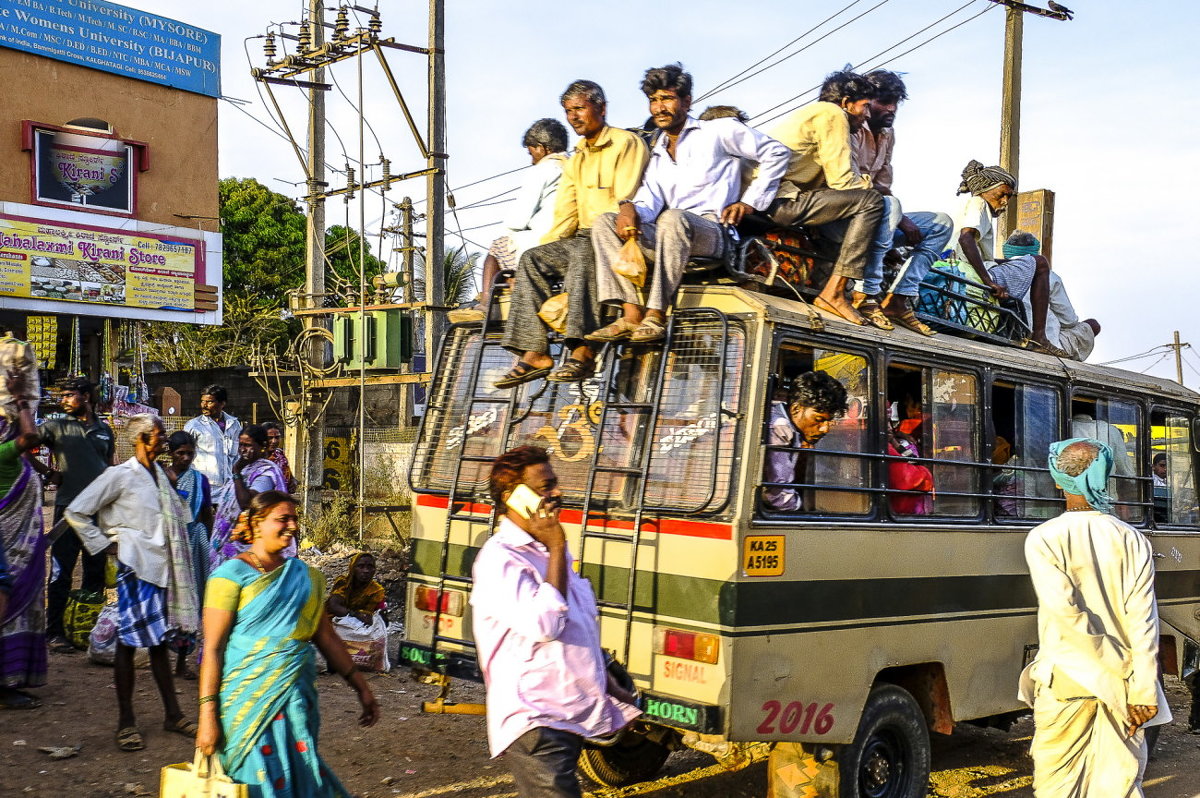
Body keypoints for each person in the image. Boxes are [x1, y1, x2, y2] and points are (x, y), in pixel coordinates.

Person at [472, 446, 640, 797]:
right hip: (537, 718)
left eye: (555, 484)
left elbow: (576, 629)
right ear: (512, 498)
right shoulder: (500, 559)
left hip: (566, 714)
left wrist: (606, 680)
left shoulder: (545, 553)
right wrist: (558, 545)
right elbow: (546, 625)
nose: (557, 493)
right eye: (545, 487)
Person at [589, 64, 790, 345]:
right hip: (670, 234)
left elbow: (777, 152)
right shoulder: (657, 150)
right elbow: (649, 201)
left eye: (667, 99)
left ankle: (656, 314)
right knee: (603, 222)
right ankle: (631, 313)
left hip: (715, 233)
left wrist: (749, 202)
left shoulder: (719, 130)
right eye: (653, 100)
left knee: (672, 218)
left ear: (686, 101)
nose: (659, 108)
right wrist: (629, 209)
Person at [196, 491, 379, 795]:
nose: (292, 526)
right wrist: (206, 717)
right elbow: (213, 649)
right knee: (255, 780)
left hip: (296, 699)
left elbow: (326, 638)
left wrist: (362, 689)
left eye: (295, 518)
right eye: (283, 519)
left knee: (298, 773)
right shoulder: (229, 577)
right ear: (256, 524)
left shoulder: (305, 576)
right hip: (246, 703)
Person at [1019, 437, 1169, 797]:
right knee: (1119, 784)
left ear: (1058, 481)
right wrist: (1141, 685)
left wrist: (1113, 664)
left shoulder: (1043, 539)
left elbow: (1066, 614)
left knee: (1058, 786)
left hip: (1066, 680)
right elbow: (1144, 620)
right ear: (1104, 477)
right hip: (1127, 685)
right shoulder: (1131, 539)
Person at [496, 80, 649, 388]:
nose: (574, 117)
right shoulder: (576, 157)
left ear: (601, 108)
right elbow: (565, 214)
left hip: (616, 233)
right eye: (568, 111)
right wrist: (548, 250)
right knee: (531, 259)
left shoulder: (625, 143)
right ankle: (535, 353)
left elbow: (629, 197)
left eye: (580, 108)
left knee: (583, 253)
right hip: (582, 236)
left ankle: (581, 351)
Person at [64, 414, 200, 751]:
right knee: (128, 643)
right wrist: (105, 544)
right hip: (134, 567)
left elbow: (179, 516)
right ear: (142, 437)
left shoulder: (159, 476)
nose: (165, 441)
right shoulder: (120, 475)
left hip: (161, 568)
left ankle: (172, 714)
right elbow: (77, 511)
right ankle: (126, 722)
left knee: (156, 644)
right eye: (159, 435)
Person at [764, 69, 886, 328]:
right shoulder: (831, 113)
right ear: (845, 103)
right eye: (864, 107)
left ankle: (828, 284)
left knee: (848, 208)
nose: (866, 116)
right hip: (781, 200)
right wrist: (871, 189)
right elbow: (842, 181)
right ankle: (834, 291)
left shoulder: (816, 115)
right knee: (872, 201)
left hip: (785, 199)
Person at [850, 70, 954, 336]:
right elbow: (846, 180)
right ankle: (866, 294)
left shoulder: (887, 133)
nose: (891, 108)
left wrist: (895, 221)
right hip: (846, 214)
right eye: (884, 101)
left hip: (877, 216)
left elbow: (884, 183)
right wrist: (897, 216)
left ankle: (899, 298)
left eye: (895, 102)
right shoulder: (851, 126)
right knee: (891, 206)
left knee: (941, 223)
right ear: (865, 101)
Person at [36, 377, 114, 653]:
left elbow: (109, 467)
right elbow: (24, 445)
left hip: (98, 514)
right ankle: (54, 632)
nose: (64, 400)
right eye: (63, 396)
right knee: (61, 572)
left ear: (86, 397)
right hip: (68, 511)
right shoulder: (56, 427)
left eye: (69, 395)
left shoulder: (105, 430)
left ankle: (88, 630)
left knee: (95, 573)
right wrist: (47, 472)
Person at [952, 162, 1063, 355]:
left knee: (1028, 263)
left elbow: (977, 251)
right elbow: (966, 238)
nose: (1005, 202)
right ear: (985, 190)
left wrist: (1004, 264)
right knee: (1041, 263)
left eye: (1009, 197)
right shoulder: (978, 204)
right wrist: (989, 281)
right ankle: (1039, 338)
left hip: (966, 270)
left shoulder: (971, 209)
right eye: (1001, 194)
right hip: (972, 277)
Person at [475, 119, 571, 305]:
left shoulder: (544, 168)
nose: (531, 160)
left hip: (542, 243)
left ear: (543, 148)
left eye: (532, 152)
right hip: (568, 243)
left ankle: (485, 305)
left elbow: (516, 220)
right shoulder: (574, 165)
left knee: (496, 248)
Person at [0, 369, 47, 709]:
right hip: (9, 550)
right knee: (6, 610)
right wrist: (20, 399)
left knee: (22, 610)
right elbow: (31, 438)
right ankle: (5, 684)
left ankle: (16, 678)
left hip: (21, 549)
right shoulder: (3, 453)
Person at [1005, 232, 1101, 360]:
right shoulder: (1049, 276)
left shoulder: (994, 270)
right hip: (1046, 341)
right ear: (1034, 252)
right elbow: (1069, 320)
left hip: (1007, 333)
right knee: (1093, 325)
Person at [763, 371, 849, 511]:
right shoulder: (781, 427)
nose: (825, 429)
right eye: (819, 420)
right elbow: (779, 497)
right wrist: (805, 510)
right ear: (796, 409)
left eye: (829, 421)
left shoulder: (780, 416)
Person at [165, 430, 213, 680]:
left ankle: (182, 660)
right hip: (167, 542)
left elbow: (206, 512)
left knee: (191, 599)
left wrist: (208, 541)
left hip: (194, 540)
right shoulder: (161, 478)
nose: (185, 458)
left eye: (189, 453)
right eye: (180, 453)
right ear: (170, 453)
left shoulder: (199, 480)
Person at [209, 424, 289, 567]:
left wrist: (236, 471)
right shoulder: (246, 468)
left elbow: (247, 503)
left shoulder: (266, 472)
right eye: (241, 445)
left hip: (249, 544)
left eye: (247, 445)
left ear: (262, 446)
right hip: (232, 540)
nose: (242, 450)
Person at [184, 384, 242, 505]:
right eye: (202, 401)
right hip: (204, 488)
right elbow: (185, 456)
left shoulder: (234, 425)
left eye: (209, 402)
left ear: (222, 403)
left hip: (229, 489)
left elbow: (237, 456)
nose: (204, 405)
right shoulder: (194, 426)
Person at [327, 552, 386, 625]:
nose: (366, 571)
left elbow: (381, 615)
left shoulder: (376, 590)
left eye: (370, 567)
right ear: (352, 568)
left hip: (361, 629)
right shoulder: (343, 583)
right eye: (361, 566)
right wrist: (355, 615)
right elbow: (333, 606)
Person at [261, 421, 297, 492]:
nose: (274, 441)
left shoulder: (279, 454)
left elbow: (288, 474)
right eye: (270, 438)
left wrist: (293, 481)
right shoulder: (256, 458)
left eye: (277, 437)